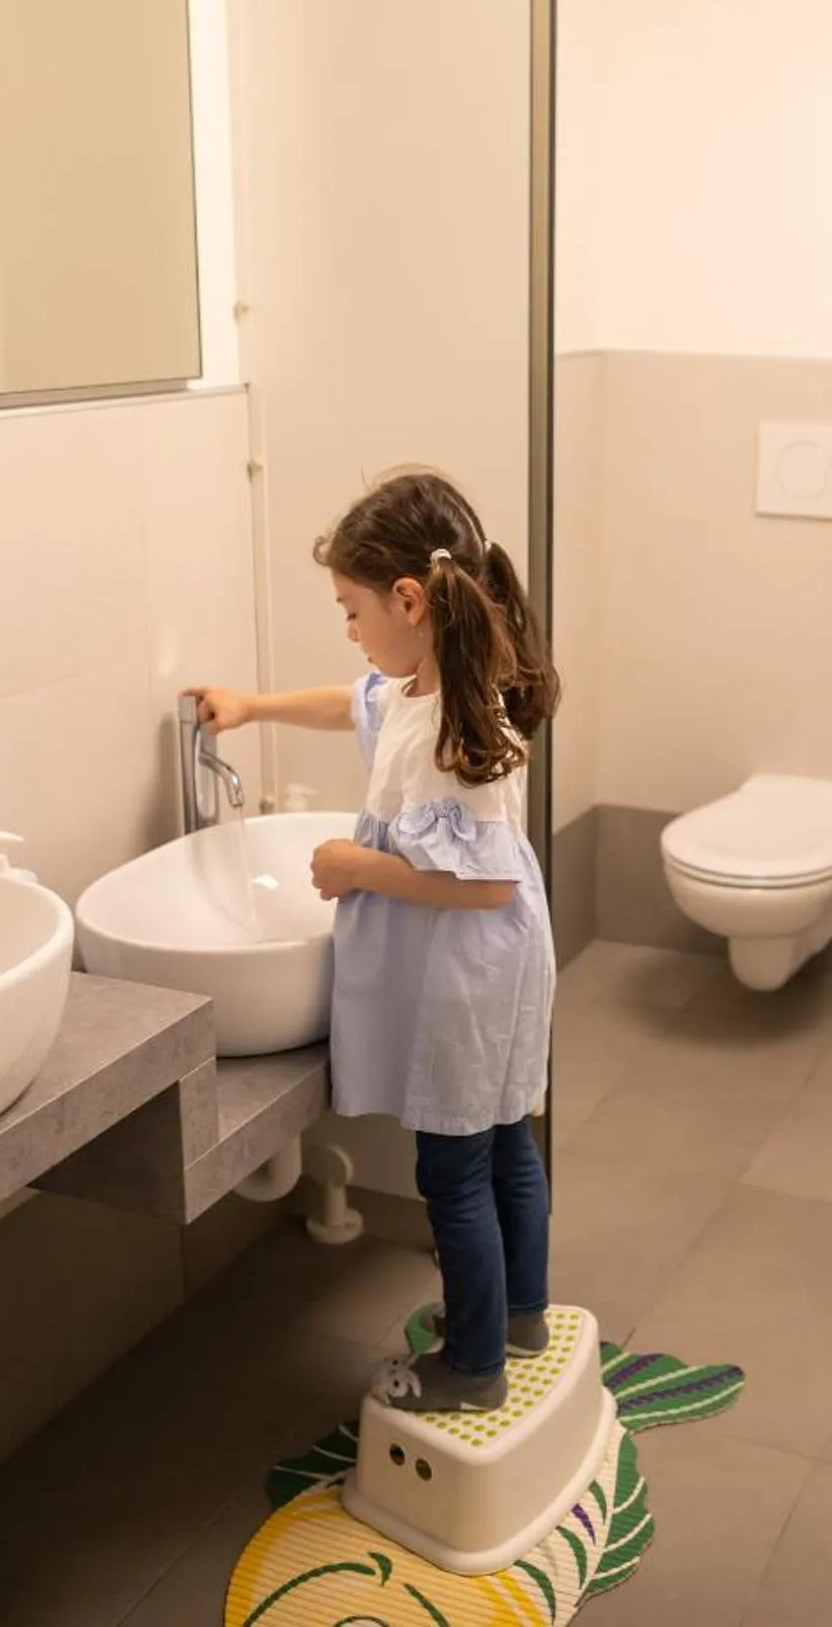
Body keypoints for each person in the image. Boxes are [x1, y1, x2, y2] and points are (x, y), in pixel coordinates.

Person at [187, 469, 559, 1414]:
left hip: (466, 968)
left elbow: (482, 882)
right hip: (498, 965)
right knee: (508, 1137)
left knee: (456, 1169)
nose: (349, 631)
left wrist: (360, 867)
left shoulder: (453, 725)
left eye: (353, 610)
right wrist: (254, 706)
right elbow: (346, 699)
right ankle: (519, 1315)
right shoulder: (430, 684)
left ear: (409, 600)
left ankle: (472, 1367)